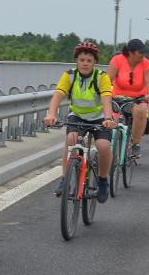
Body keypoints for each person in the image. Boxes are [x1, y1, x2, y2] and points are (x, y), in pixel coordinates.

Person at [44, 41, 117, 202]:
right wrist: (51, 114)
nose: (85, 63)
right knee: (71, 140)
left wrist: (108, 118)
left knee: (103, 146)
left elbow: (106, 98)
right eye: (82, 60)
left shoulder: (101, 77)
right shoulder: (69, 75)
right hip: (77, 115)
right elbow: (58, 95)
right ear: (76, 60)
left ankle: (103, 180)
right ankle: (65, 179)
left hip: (99, 117)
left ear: (95, 62)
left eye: (89, 60)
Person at [107, 38, 149, 158]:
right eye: (140, 52)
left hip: (137, 99)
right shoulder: (117, 60)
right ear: (131, 53)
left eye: (144, 52)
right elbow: (107, 81)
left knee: (141, 110)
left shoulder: (147, 64)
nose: (143, 55)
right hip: (117, 97)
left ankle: (135, 144)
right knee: (107, 116)